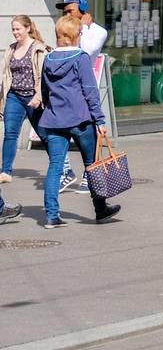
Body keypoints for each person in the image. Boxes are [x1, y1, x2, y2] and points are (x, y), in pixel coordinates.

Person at [38, 15, 119, 227]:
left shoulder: (48, 59)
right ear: (75, 35)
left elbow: (45, 91)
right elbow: (90, 91)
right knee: (91, 165)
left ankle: (52, 216)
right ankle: (100, 210)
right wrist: (100, 120)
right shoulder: (80, 58)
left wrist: (51, 107)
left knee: (55, 166)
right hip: (80, 119)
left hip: (54, 120)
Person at [1, 16, 49, 220]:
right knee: (10, 133)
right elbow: (5, 75)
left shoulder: (39, 48)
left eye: (18, 29)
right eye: (13, 29)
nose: (15, 32)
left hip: (33, 97)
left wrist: (39, 96)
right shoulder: (11, 49)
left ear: (28, 28)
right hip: (14, 96)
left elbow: (44, 76)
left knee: (45, 134)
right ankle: (6, 171)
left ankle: (59, 165)